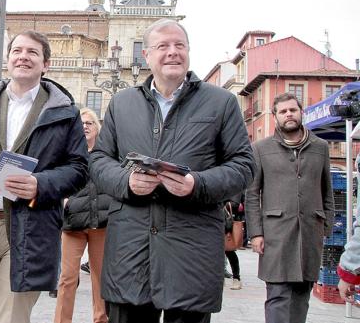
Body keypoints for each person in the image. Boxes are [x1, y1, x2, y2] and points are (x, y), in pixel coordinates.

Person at [90, 18, 255, 323]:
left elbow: (244, 165)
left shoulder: (221, 102)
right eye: (163, 46)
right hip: (131, 252)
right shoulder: (122, 103)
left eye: (179, 45)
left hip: (192, 253)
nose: (172, 52)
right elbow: (98, 161)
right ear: (146, 56)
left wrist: (198, 184)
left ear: (189, 51)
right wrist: (126, 181)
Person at [0, 30, 88, 323]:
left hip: (29, 230)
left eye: (33, 52)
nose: (23, 57)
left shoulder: (64, 111)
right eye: (17, 51)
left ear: (45, 64)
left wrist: (41, 183)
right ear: (8, 59)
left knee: (12, 318)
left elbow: (79, 168)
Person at [246, 92, 334, 323]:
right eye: (283, 112)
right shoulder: (261, 149)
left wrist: (326, 226)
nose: (288, 115)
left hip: (309, 232)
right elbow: (253, 194)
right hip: (276, 234)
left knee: (301, 297)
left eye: (292, 110)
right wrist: (255, 233)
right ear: (275, 117)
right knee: (277, 296)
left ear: (301, 112)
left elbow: (327, 190)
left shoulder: (321, 147)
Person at [54, 107, 110, 323]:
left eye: (90, 123)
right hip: (73, 222)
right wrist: (62, 199)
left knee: (100, 277)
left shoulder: (106, 154)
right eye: (81, 123)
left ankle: (101, 319)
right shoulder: (67, 155)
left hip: (101, 222)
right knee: (67, 278)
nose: (85, 126)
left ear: (97, 128)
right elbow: (56, 181)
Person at [224, 200, 242, 290]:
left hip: (227, 224)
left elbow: (235, 203)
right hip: (212, 222)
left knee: (230, 252)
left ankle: (236, 278)